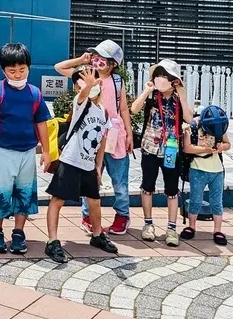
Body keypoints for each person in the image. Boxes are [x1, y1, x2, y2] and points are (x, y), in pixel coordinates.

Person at [0, 43, 52, 254]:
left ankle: (18, 232)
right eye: (12, 71)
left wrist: (45, 151)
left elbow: (41, 124)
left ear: (29, 68)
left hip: (28, 150)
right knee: (1, 191)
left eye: (22, 70)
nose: (18, 75)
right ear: (3, 70)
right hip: (2, 150)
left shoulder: (35, 94)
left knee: (25, 192)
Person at [55, 40, 132, 236]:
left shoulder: (117, 81)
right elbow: (59, 67)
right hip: (91, 136)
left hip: (115, 136)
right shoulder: (86, 76)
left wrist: (129, 134)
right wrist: (82, 59)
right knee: (91, 177)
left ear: (113, 64)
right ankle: (87, 216)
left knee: (119, 179)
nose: (98, 61)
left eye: (103, 59)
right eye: (96, 56)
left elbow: (123, 108)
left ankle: (122, 215)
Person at [45, 66, 119, 263]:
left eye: (94, 81)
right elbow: (83, 95)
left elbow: (102, 140)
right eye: (83, 83)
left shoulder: (103, 111)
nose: (91, 85)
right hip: (70, 161)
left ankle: (97, 235)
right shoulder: (80, 104)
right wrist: (87, 86)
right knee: (58, 200)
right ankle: (52, 241)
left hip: (88, 164)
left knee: (94, 200)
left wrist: (98, 166)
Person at [131, 59, 193, 247]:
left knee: (172, 189)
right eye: (157, 75)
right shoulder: (151, 97)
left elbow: (190, 119)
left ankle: (172, 229)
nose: (159, 79)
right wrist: (147, 90)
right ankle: (148, 225)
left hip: (171, 150)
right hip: (150, 147)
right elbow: (134, 109)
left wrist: (182, 96)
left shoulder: (178, 99)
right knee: (147, 186)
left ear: (174, 80)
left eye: (164, 75)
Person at [182, 104, 229, 245]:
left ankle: (217, 230)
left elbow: (227, 144)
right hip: (198, 168)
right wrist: (206, 149)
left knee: (217, 201)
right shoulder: (193, 126)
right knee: (196, 199)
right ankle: (191, 226)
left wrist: (221, 147)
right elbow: (187, 148)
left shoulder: (220, 126)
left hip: (217, 170)